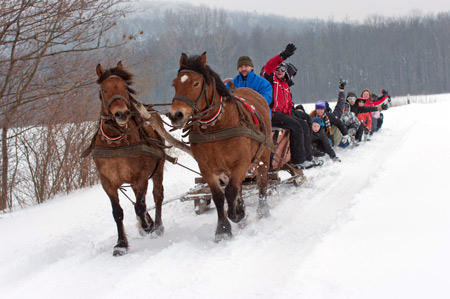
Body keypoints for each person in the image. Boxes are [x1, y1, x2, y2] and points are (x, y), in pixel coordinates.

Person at [262, 43, 321, 169]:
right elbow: (269, 66)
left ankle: (307, 158)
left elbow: (288, 103)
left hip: (283, 114)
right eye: (278, 69)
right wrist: (283, 56)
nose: (280, 71)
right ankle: (298, 161)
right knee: (297, 126)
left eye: (283, 69)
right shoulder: (271, 80)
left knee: (304, 124)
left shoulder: (284, 85)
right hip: (272, 114)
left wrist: (292, 114)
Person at [309, 79, 350, 147]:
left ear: (325, 109)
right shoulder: (313, 117)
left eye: (322, 109)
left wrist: (345, 135)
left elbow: (340, 105)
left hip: (331, 139)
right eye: (318, 109)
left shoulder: (330, 116)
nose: (320, 111)